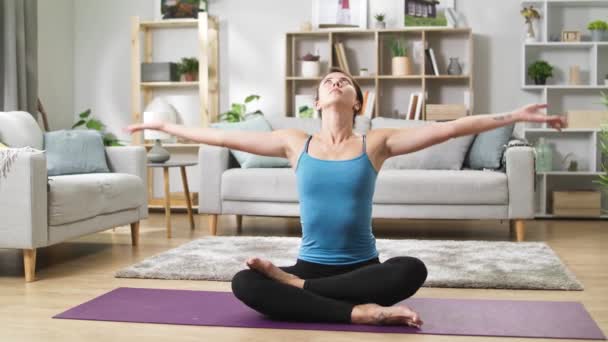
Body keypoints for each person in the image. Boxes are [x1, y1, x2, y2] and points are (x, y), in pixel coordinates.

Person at [126, 67, 566, 327]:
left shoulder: (375, 143)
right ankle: (357, 314)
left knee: (412, 268)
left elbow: (450, 128)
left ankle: (303, 292)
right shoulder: (293, 142)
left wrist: (513, 115)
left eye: (345, 81)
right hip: (313, 264)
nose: (336, 83)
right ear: (316, 101)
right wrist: (165, 128)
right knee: (243, 283)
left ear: (357, 101)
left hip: (361, 270)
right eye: (329, 81)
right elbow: (221, 136)